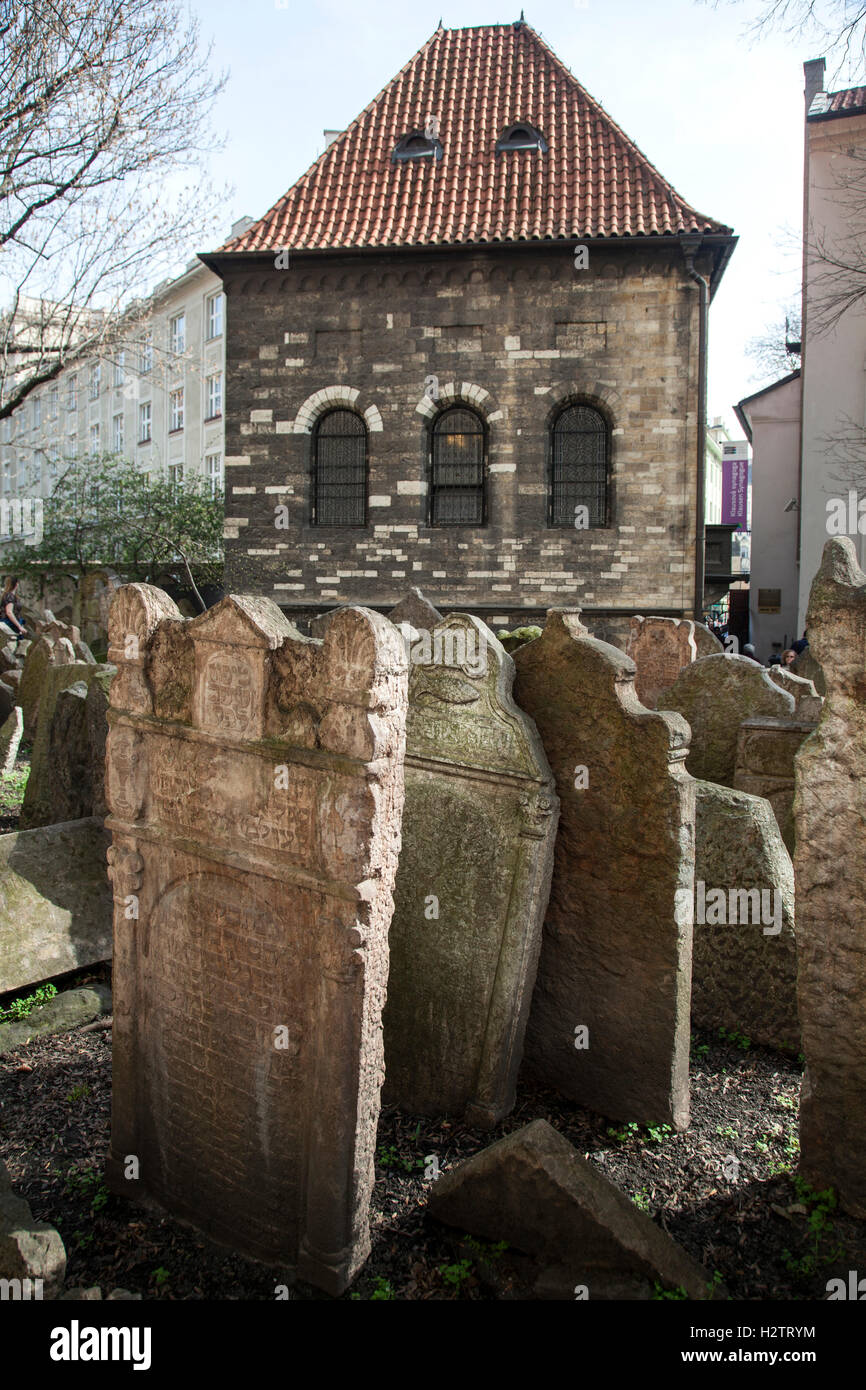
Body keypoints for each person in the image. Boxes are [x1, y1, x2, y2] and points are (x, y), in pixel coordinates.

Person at [0, 577, 27, 644]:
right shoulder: (10, 596)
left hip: (13, 622)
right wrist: (19, 626)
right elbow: (9, 612)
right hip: (9, 623)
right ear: (16, 584)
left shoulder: (9, 595)